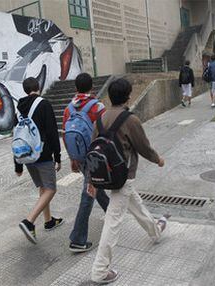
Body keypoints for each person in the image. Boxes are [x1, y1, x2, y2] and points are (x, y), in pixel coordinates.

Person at [89, 78, 169, 284]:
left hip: (106, 175)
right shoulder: (130, 119)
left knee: (136, 203)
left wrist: (91, 181)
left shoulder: (100, 118)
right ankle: (99, 271)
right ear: (128, 96)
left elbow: (93, 150)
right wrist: (158, 160)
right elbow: (144, 147)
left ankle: (155, 231)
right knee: (113, 221)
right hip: (123, 175)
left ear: (109, 96)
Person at [62, 73, 109, 253]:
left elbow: (66, 135)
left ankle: (112, 214)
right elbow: (105, 134)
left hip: (80, 158)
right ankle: (78, 239)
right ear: (92, 87)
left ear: (76, 88)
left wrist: (73, 159)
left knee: (96, 188)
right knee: (88, 195)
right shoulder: (97, 107)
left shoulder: (68, 109)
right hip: (95, 158)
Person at [16, 77, 63, 244]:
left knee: (43, 187)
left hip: (26, 155)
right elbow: (52, 132)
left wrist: (18, 164)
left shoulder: (19, 107)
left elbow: (17, 135)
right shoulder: (44, 104)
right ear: (39, 87)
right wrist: (57, 156)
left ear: (25, 89)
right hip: (42, 154)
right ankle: (29, 222)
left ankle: (49, 221)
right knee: (51, 189)